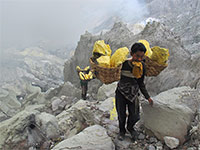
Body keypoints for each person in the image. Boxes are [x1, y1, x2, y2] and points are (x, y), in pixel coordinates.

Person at [115, 42, 154, 141]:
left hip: (133, 94)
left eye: (142, 56)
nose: (139, 59)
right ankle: (122, 131)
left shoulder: (142, 67)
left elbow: (141, 83)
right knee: (121, 114)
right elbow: (115, 75)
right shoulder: (123, 64)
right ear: (132, 53)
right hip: (121, 92)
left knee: (135, 115)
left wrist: (147, 97)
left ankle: (130, 127)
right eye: (137, 56)